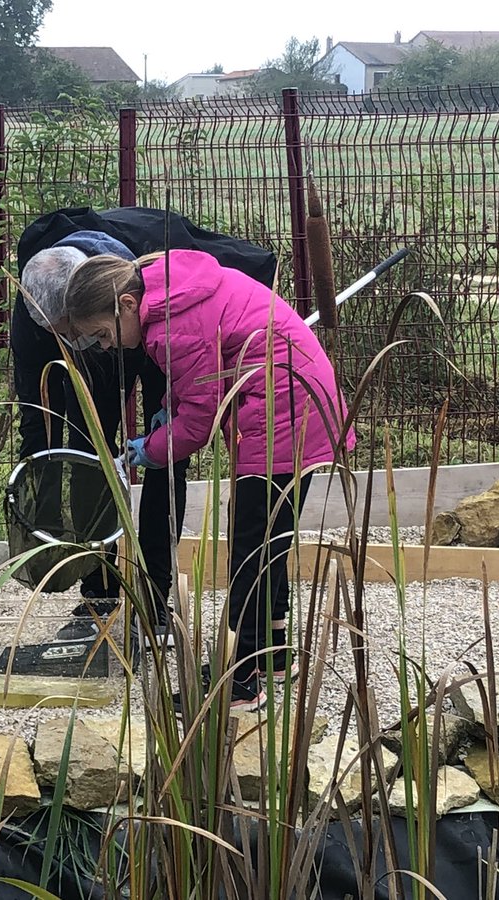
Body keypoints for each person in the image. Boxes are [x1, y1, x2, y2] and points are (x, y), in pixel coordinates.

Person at [63, 249, 355, 712]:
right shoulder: (170, 290)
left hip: (282, 415)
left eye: (103, 334)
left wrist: (153, 449)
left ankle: (239, 682)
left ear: (125, 304)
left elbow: (198, 422)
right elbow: (204, 371)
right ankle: (272, 656)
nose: (106, 347)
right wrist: (171, 409)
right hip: (296, 402)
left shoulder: (170, 328)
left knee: (251, 545)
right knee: (270, 537)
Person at [11, 207, 277, 642]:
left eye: (76, 332)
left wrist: (167, 425)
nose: (75, 340)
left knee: (164, 459)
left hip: (162, 338)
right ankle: (98, 591)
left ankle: (154, 599)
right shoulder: (33, 307)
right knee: (86, 455)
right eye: (64, 334)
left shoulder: (154, 264)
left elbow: (224, 306)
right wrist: (38, 473)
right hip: (98, 357)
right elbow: (35, 403)